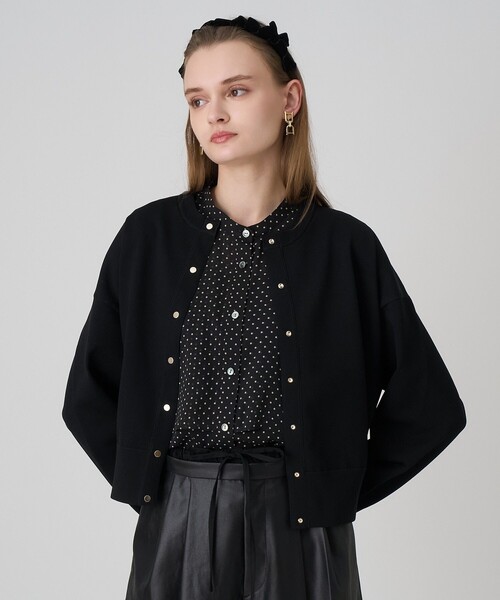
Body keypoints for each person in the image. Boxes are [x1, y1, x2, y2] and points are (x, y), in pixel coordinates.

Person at [62, 15, 467, 600]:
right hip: (175, 527)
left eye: (236, 91)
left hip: (304, 533)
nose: (214, 114)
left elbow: (430, 405)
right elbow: (88, 393)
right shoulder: (147, 239)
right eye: (197, 99)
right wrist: (156, 484)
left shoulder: (345, 248)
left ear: (289, 99)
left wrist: (332, 482)